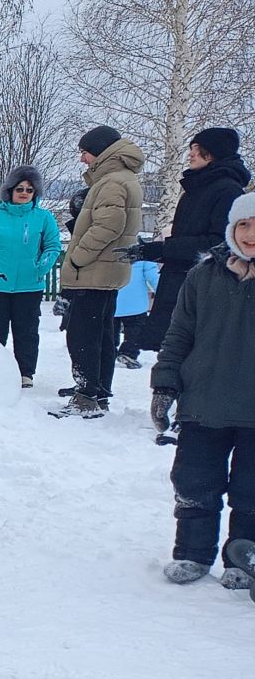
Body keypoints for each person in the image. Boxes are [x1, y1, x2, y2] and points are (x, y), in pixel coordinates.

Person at [150, 192, 255, 587]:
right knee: (194, 483)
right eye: (243, 225)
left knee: (251, 491)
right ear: (231, 229)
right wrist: (164, 383)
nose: (250, 234)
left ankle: (242, 559)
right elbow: (179, 335)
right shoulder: (203, 276)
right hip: (202, 403)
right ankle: (193, 554)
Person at [54, 125, 145, 418]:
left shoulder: (111, 182)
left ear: (102, 151)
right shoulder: (121, 178)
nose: (82, 159)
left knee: (83, 335)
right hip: (108, 271)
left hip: (94, 271)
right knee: (102, 334)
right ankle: (98, 389)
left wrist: (78, 258)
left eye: (85, 152)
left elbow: (108, 225)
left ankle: (86, 395)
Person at [136, 128, 249, 352]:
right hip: (180, 281)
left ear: (213, 153)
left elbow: (217, 244)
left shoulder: (228, 190)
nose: (191, 154)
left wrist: (165, 248)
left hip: (204, 287)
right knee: (174, 353)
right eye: (191, 149)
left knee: (192, 355)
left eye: (198, 150)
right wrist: (157, 251)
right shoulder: (197, 187)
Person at [0, 166, 62, 388]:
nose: (24, 193)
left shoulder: (44, 218)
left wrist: (40, 268)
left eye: (29, 190)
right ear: (10, 191)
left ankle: (25, 373)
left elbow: (52, 246)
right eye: (19, 189)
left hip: (29, 285)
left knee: (26, 332)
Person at [114, 257, 157, 368]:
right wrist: (161, 291)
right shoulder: (141, 252)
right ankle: (128, 353)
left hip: (111, 298)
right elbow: (153, 275)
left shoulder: (108, 246)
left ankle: (107, 352)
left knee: (109, 330)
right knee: (136, 330)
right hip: (135, 301)